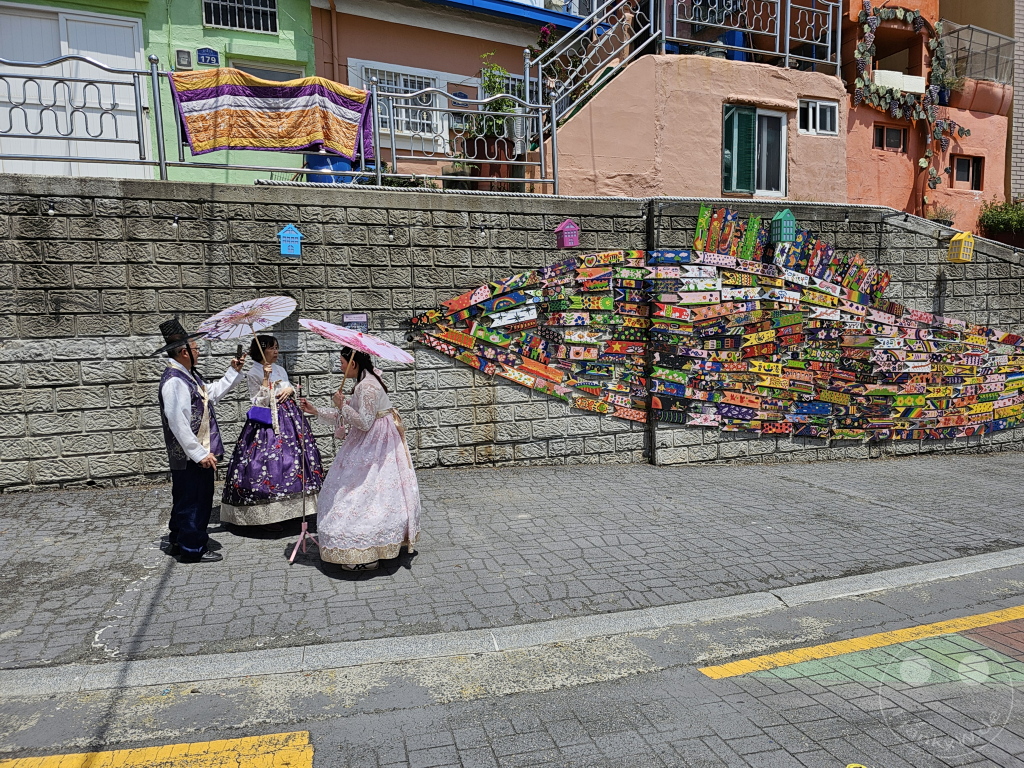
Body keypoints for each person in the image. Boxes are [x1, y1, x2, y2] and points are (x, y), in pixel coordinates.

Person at [300, 348, 420, 571]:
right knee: (366, 491)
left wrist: (342, 405)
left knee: (361, 492)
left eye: (342, 362)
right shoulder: (365, 381)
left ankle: (365, 549)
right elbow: (349, 416)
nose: (341, 367)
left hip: (374, 443)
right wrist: (315, 410)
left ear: (353, 364)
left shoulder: (367, 386)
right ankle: (372, 546)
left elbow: (363, 422)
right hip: (371, 440)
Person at [155, 318, 245, 564]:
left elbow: (209, 395)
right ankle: (192, 547)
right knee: (195, 499)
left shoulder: (189, 375)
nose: (198, 353)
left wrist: (233, 372)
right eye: (196, 350)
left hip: (194, 453)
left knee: (185, 497)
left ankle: (178, 538)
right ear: (184, 352)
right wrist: (199, 454)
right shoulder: (175, 380)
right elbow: (178, 423)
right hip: (191, 455)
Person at [221, 335, 324, 531]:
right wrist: (266, 379)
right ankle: (268, 514)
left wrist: (290, 390)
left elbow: (287, 384)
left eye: (277, 347)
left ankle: (293, 510)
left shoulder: (281, 368)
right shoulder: (253, 372)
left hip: (290, 420)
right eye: (272, 348)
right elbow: (257, 402)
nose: (276, 351)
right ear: (261, 351)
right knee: (268, 464)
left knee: (293, 462)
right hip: (267, 424)